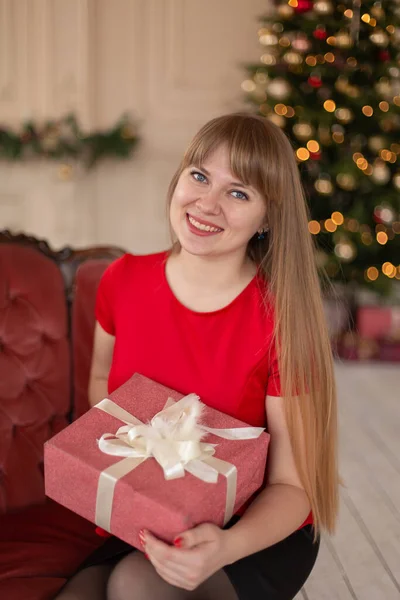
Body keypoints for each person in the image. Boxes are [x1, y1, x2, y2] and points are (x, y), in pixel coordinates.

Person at [56, 113, 339, 600]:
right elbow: (101, 381)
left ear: (267, 218)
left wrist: (225, 547)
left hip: (253, 530)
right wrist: (139, 484)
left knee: (133, 585)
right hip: (148, 511)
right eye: (200, 176)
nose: (206, 203)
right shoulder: (122, 280)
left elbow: (295, 488)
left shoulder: (281, 322)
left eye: (239, 192)